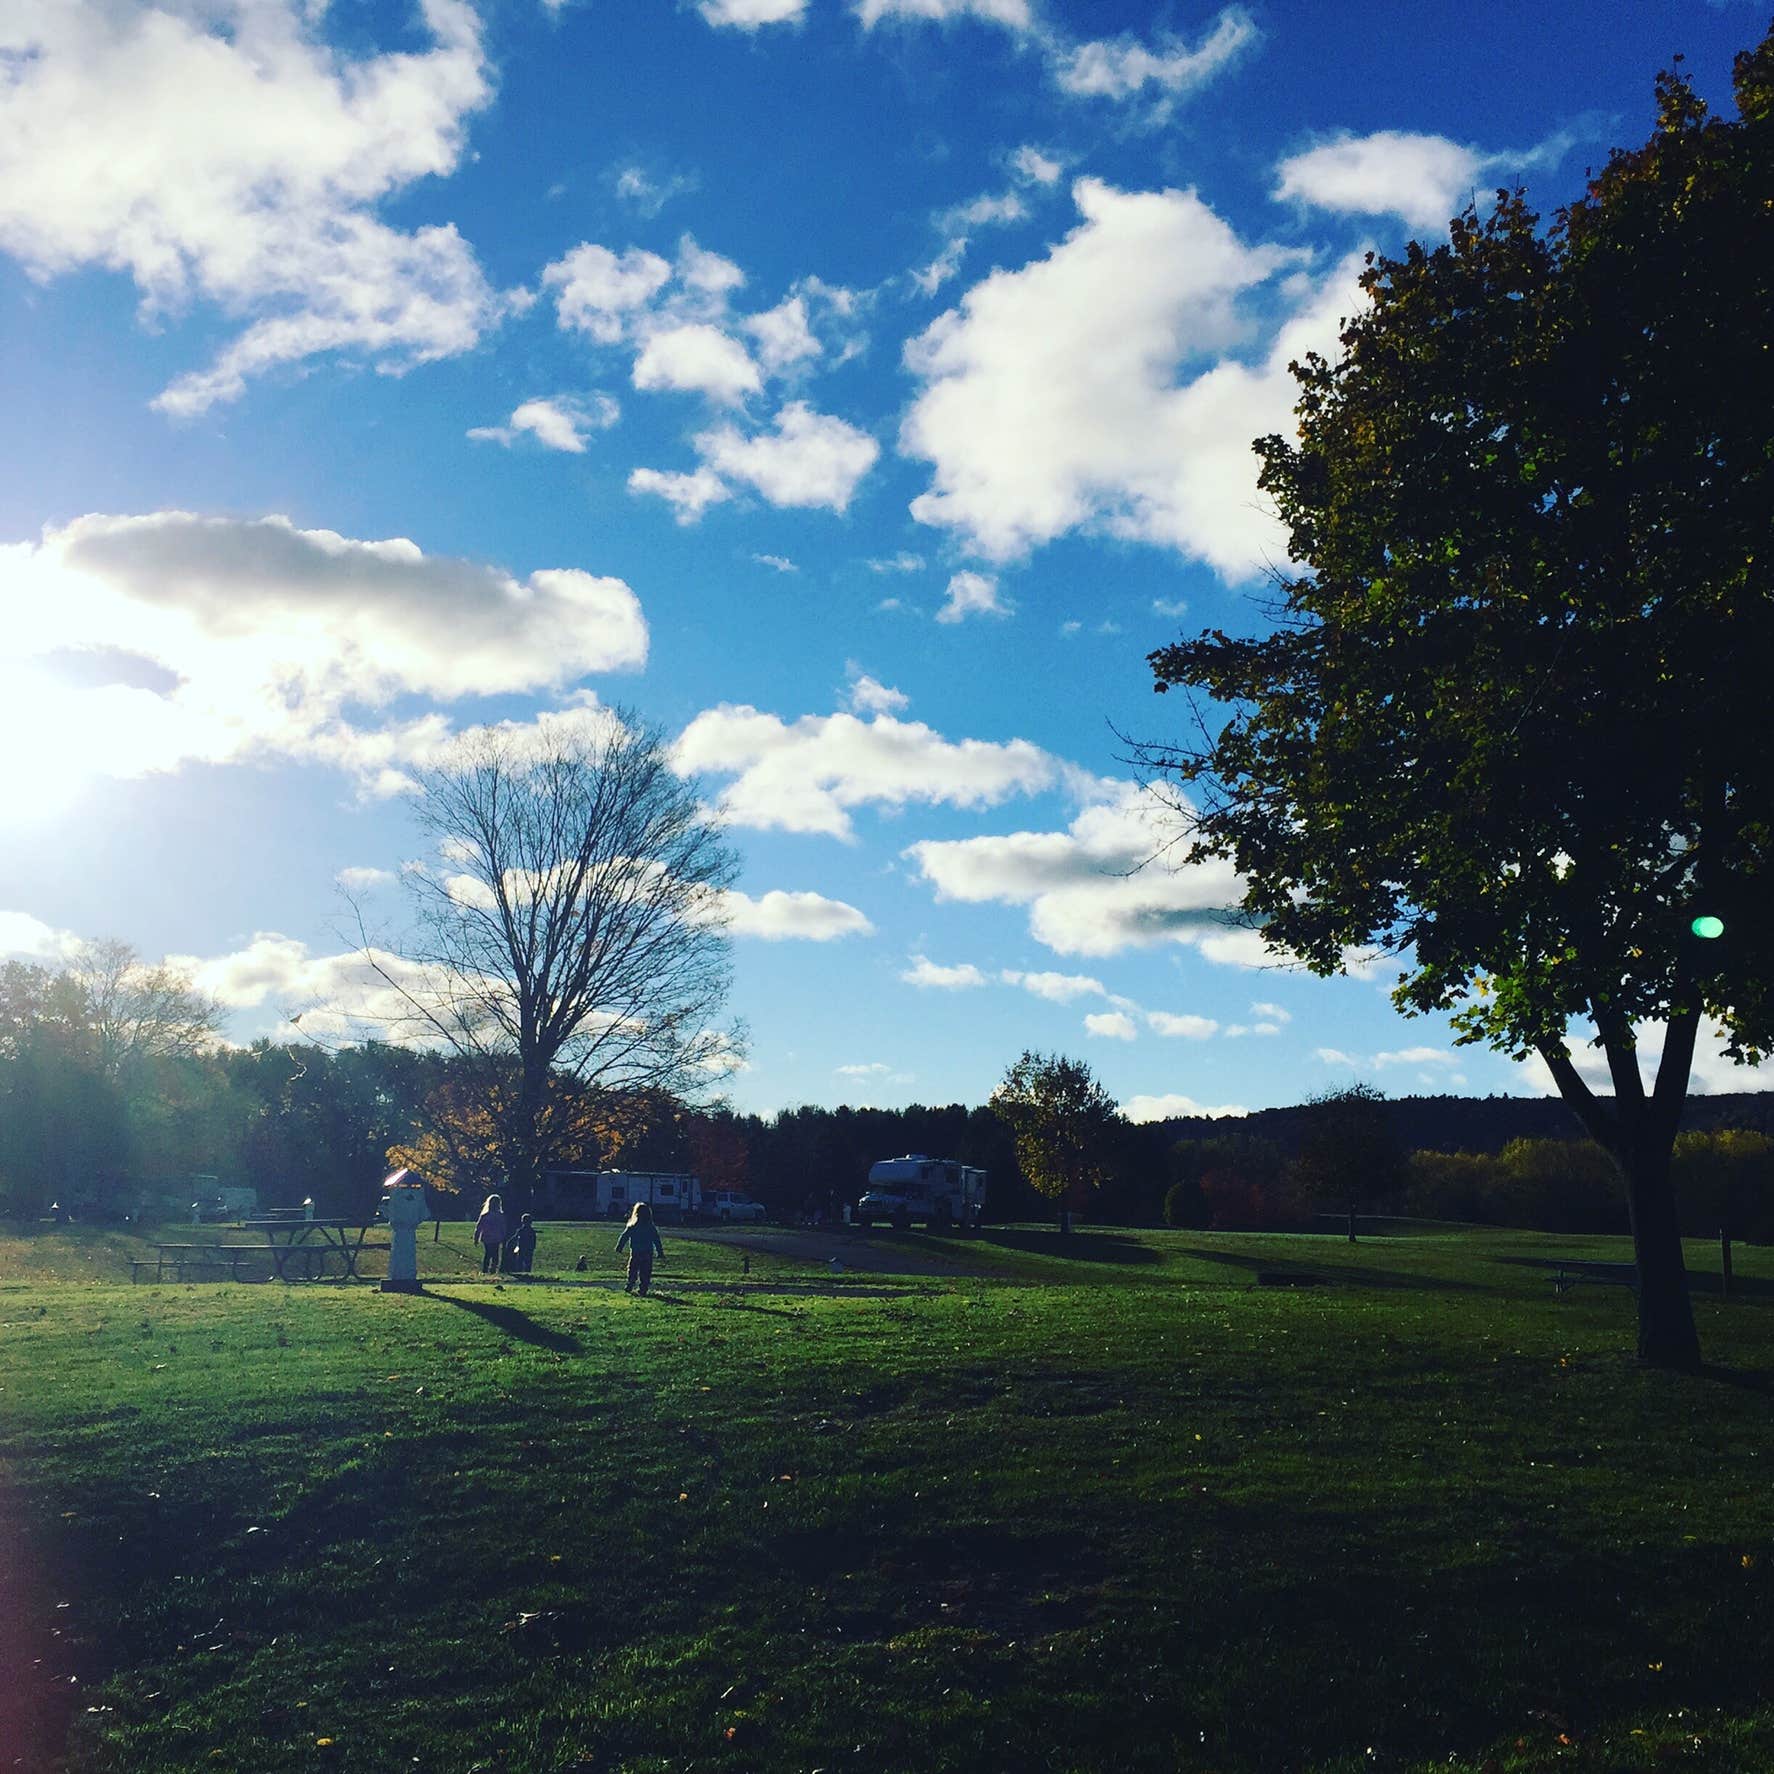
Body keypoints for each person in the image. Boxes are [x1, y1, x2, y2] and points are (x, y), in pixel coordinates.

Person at [615, 1200, 664, 1296]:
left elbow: (624, 1237)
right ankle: (643, 1288)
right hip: (647, 1253)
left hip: (636, 1252)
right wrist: (660, 1252)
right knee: (645, 1272)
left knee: (633, 1269)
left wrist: (619, 1247)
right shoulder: (650, 1227)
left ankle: (630, 1284)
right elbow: (656, 1240)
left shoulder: (632, 1227)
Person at [474, 1193, 508, 1275]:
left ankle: (486, 1270)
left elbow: (479, 1228)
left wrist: (476, 1238)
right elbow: (503, 1227)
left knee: (488, 1254)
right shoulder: (500, 1216)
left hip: (488, 1237)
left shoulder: (485, 1216)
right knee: (494, 1254)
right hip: (495, 1237)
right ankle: (492, 1270)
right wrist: (503, 1236)